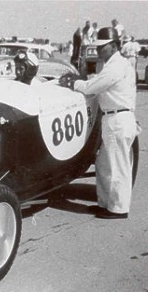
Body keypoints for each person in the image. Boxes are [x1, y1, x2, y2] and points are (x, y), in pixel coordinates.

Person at [59, 26, 137, 219]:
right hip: (113, 118)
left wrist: (74, 83)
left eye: (103, 47)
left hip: (118, 118)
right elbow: (98, 80)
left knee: (118, 167)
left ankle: (119, 209)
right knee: (104, 165)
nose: (100, 50)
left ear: (113, 46)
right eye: (99, 47)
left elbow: (94, 87)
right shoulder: (114, 64)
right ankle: (104, 203)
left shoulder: (117, 65)